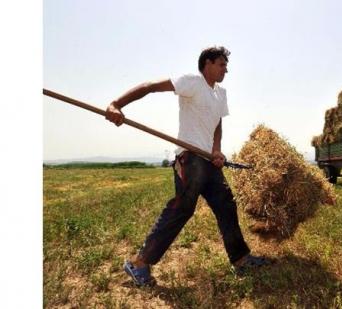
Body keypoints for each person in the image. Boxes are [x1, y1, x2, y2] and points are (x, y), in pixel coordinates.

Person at [106, 46, 270, 286]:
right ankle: (139, 264)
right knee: (182, 209)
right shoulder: (191, 82)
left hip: (208, 161)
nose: (226, 69)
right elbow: (149, 86)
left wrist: (216, 150)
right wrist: (115, 104)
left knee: (227, 205)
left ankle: (241, 259)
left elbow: (217, 125)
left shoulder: (220, 93)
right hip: (190, 158)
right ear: (208, 64)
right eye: (222, 64)